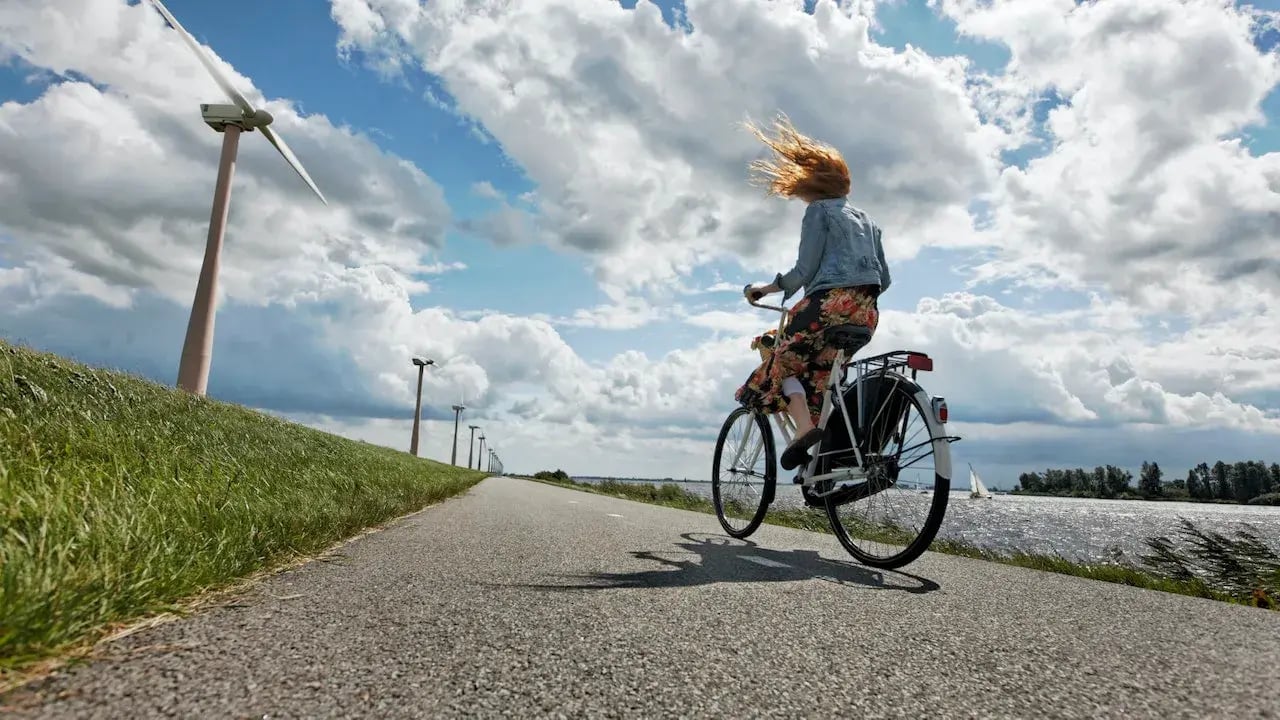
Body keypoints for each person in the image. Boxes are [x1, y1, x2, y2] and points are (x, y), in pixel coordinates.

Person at [735, 114, 891, 472]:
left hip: (827, 306)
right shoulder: (868, 220)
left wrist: (764, 289)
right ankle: (821, 464)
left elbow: (802, 271)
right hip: (867, 313)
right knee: (820, 376)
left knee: (778, 355)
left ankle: (804, 430)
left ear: (811, 183)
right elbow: (885, 278)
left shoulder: (819, 212)